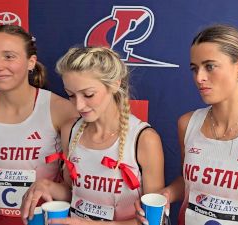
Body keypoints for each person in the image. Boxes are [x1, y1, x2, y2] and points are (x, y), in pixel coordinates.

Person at [136, 24, 238, 225]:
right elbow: (188, 180)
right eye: (194, 68)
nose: (199, 78)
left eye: (210, 66)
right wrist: (167, 194)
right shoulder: (187, 123)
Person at [21, 46, 165, 224]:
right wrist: (46, 186)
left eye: (88, 94)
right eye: (71, 95)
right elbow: (73, 193)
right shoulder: (70, 131)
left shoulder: (143, 139)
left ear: (115, 84)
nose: (79, 106)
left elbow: (156, 220)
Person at [0, 25, 78, 225]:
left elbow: (80, 191)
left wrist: (47, 187)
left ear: (31, 62)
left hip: (42, 220)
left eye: (8, 56)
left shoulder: (60, 110)